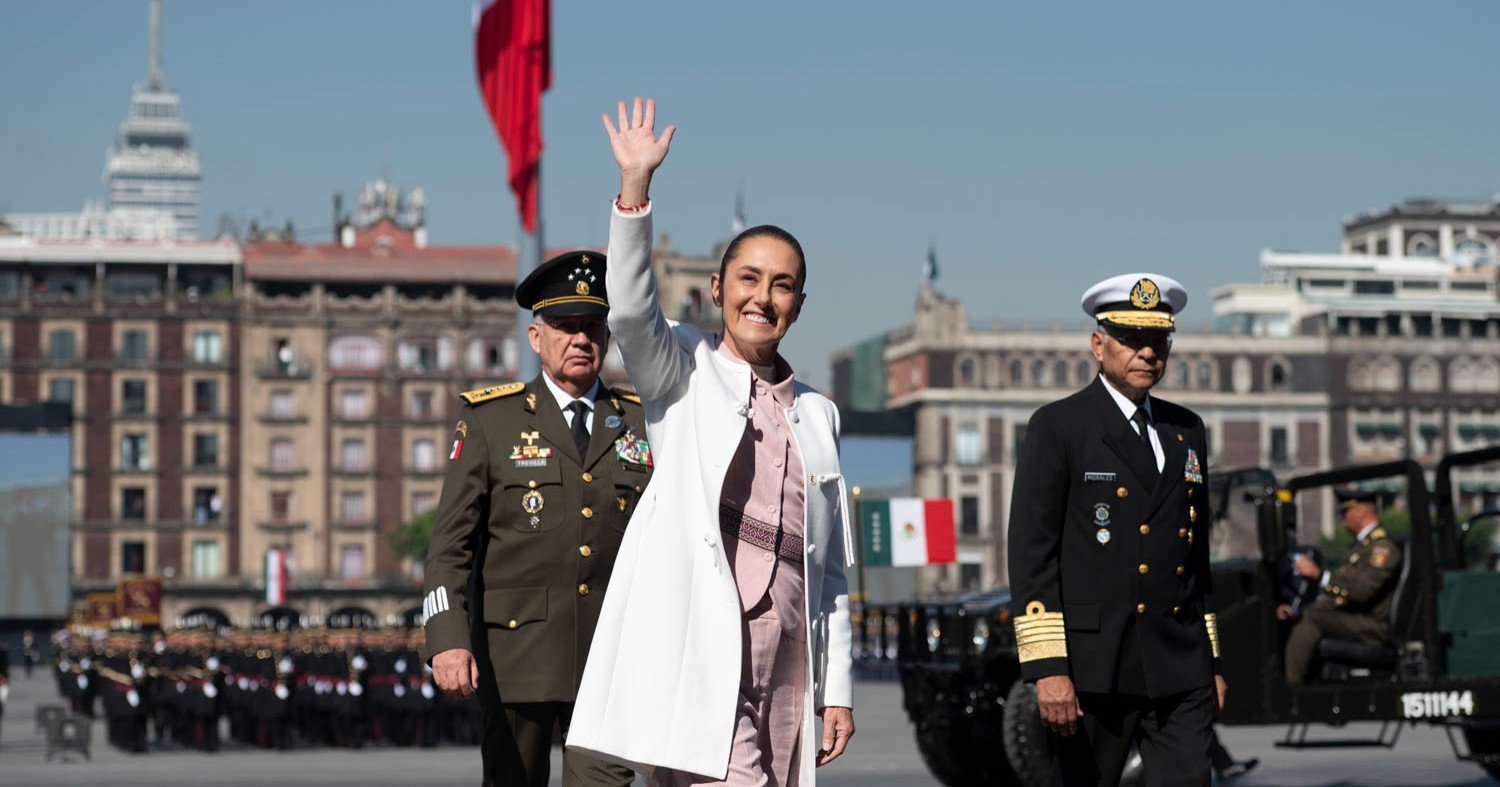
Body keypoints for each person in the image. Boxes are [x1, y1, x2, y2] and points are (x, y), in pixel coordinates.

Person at [567, 97, 856, 786]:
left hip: (787, 648)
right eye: (749, 279)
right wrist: (635, 187)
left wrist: (837, 683)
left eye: (783, 285)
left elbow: (836, 570)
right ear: (718, 288)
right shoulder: (683, 368)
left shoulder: (820, 413)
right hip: (701, 635)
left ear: (799, 305)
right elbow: (632, 310)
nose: (764, 297)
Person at [423, 249, 652, 787]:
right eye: (566, 326)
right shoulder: (491, 421)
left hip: (609, 660)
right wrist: (447, 638)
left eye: (592, 327)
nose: (580, 339)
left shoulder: (641, 421)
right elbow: (449, 547)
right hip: (514, 657)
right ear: (536, 337)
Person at [1007, 273, 1225, 787]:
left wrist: (1211, 660)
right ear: (1098, 345)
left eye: (1158, 341)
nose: (1147, 353)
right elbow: (1032, 556)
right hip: (1092, 668)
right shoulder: (1060, 426)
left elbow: (1197, 556)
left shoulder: (1185, 429)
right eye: (1131, 340)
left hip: (1178, 662)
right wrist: (1048, 668)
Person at [1281, 489, 1401, 684]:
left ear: (1361, 511)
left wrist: (1319, 576)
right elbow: (1338, 594)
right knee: (1305, 614)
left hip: (1372, 626)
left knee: (1313, 616)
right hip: (1352, 618)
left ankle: (1292, 688)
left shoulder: (1382, 549)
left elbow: (1362, 592)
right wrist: (1297, 611)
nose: (1342, 520)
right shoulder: (1359, 547)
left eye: (1344, 513)